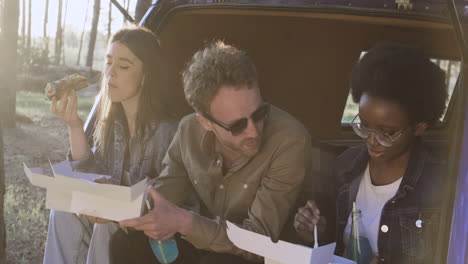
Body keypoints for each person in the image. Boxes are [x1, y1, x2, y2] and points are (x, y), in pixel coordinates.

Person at [109, 40, 312, 264]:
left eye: (260, 113)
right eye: (237, 125)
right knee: (124, 242)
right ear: (205, 122)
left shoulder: (290, 139)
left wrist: (184, 223)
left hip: (260, 256)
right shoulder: (188, 130)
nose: (253, 131)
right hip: (200, 244)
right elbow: (164, 193)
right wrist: (113, 204)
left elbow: (258, 240)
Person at [294, 43, 448, 264]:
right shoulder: (345, 166)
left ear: (419, 127)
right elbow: (334, 246)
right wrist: (315, 232)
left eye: (388, 133)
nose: (371, 140)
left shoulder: (442, 185)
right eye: (364, 125)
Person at [43, 27, 178, 264]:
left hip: (152, 240)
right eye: (108, 63)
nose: (110, 73)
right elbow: (88, 174)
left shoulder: (169, 133)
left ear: (147, 75)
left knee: (107, 226)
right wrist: (74, 125)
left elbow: (172, 202)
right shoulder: (111, 125)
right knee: (63, 212)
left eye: (123, 66)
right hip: (112, 225)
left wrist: (116, 204)